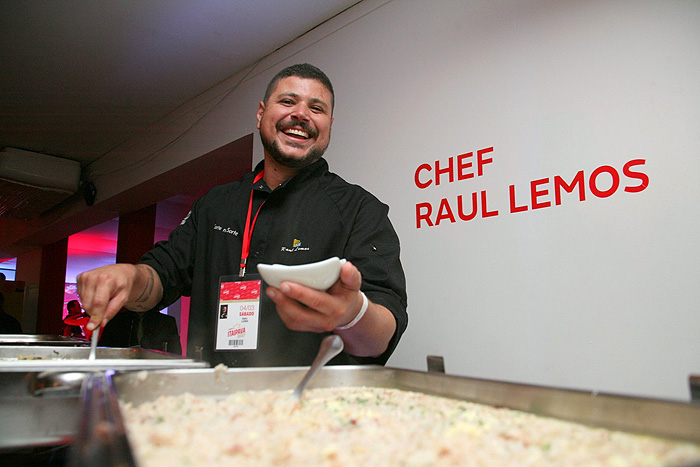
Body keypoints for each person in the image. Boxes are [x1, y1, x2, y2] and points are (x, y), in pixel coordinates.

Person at [77, 63, 408, 367]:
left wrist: (352, 314)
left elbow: (382, 334)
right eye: (288, 101)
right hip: (213, 404)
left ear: (329, 126)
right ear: (261, 113)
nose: (302, 114)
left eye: (316, 108)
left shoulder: (360, 210)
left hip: (309, 415)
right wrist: (129, 279)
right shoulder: (216, 204)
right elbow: (164, 273)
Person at [98, 309, 182, 354]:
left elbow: (175, 351)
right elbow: (103, 348)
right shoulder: (117, 320)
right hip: (121, 364)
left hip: (153, 366)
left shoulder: (165, 321)